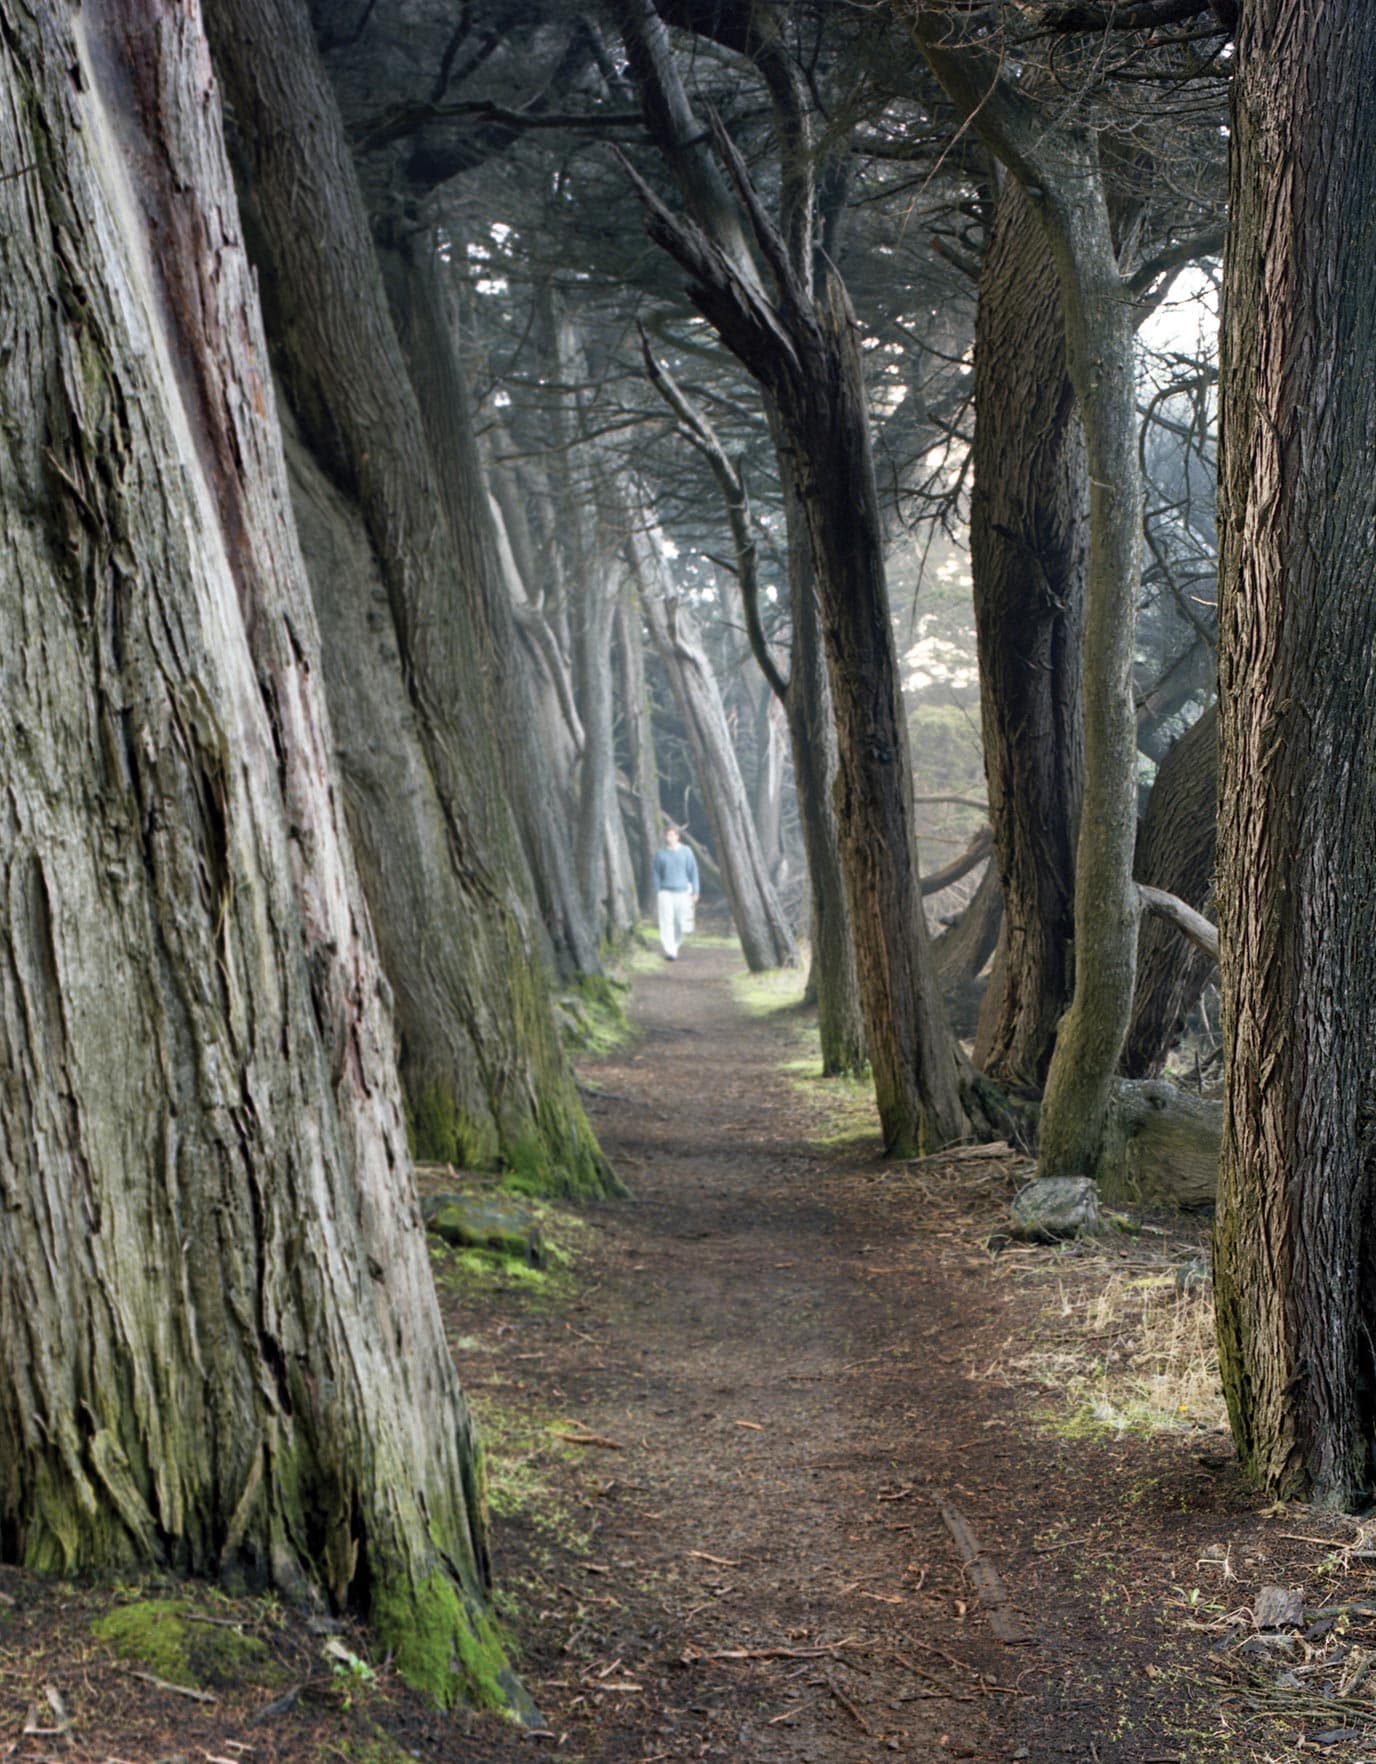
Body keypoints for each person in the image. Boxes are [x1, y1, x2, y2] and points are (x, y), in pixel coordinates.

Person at [652, 824, 699, 961]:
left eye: (672, 835)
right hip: (665, 892)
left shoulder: (687, 851)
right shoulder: (660, 854)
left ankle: (676, 944)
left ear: (677, 836)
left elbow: (693, 872)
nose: (670, 838)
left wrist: (695, 891)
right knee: (666, 921)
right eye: (668, 835)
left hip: (682, 891)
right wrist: (658, 888)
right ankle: (669, 950)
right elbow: (656, 873)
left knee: (679, 921)